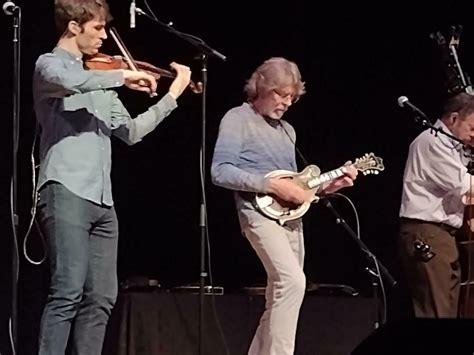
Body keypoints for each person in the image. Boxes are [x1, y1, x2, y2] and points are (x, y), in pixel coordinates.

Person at [32, 0, 191, 354]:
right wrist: (123, 75)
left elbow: (132, 132)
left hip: (103, 202)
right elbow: (69, 80)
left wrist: (173, 93)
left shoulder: (101, 85)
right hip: (66, 190)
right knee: (67, 290)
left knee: (102, 296)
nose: (105, 36)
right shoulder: (50, 65)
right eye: (98, 28)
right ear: (74, 27)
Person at [210, 57, 358, 355]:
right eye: (281, 94)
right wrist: (271, 185)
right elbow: (220, 171)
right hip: (258, 216)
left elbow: (295, 186)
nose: (287, 102)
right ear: (261, 87)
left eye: (292, 96)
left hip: (290, 219)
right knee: (292, 282)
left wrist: (329, 187)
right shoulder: (236, 119)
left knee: (280, 295)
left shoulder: (287, 131)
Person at [398, 91, 474, 318]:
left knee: (448, 311)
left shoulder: (453, 147)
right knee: (436, 312)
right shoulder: (432, 142)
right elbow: (466, 185)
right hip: (427, 233)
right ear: (453, 118)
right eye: (472, 127)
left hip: (444, 236)